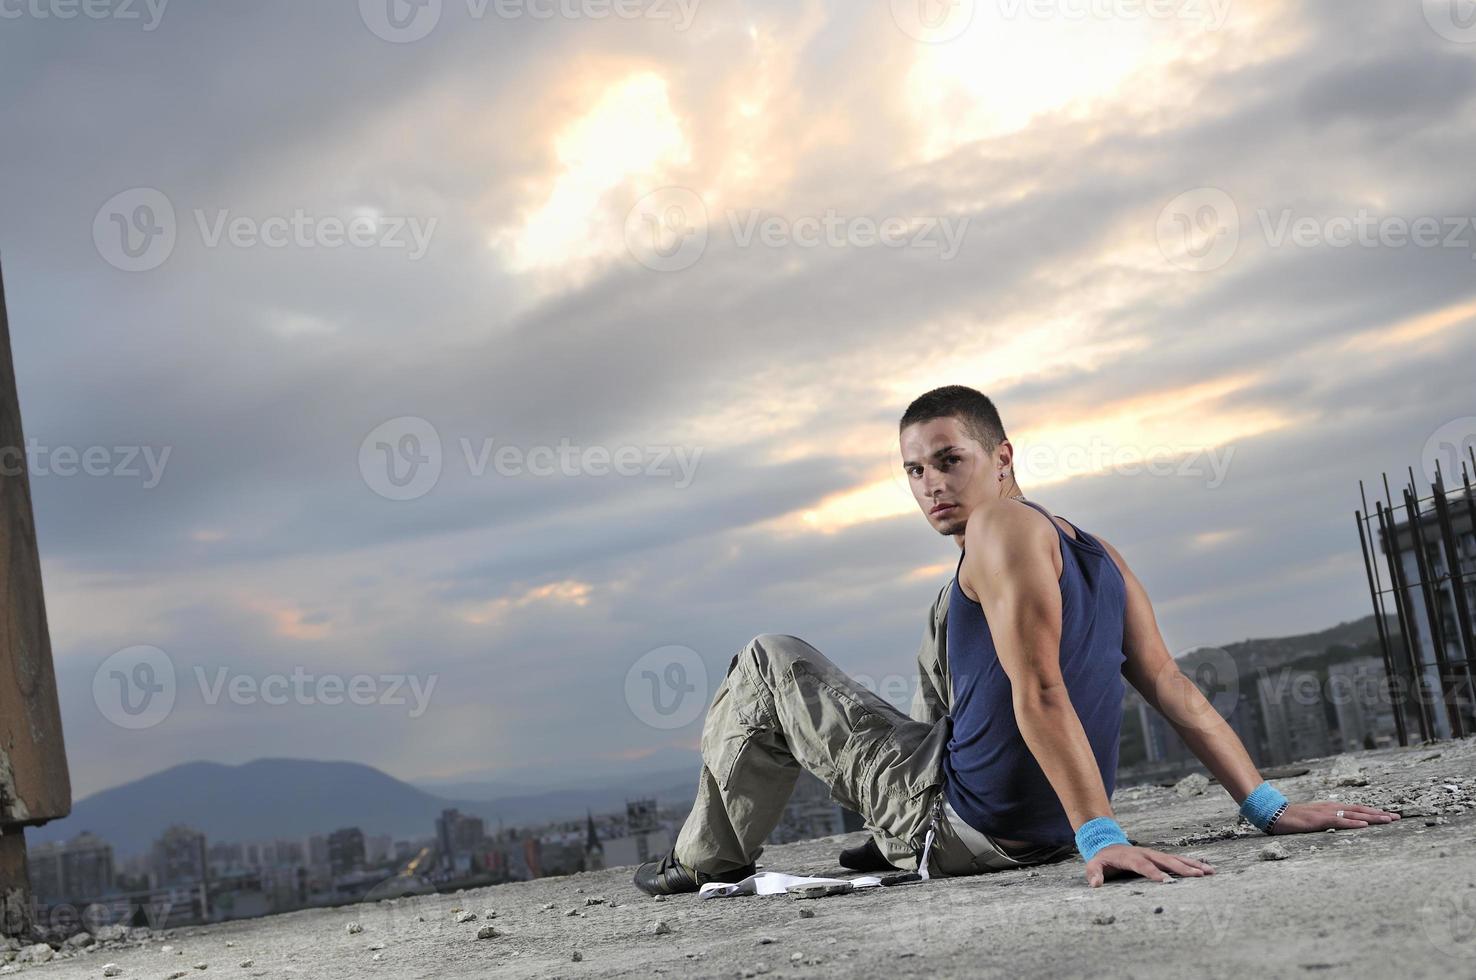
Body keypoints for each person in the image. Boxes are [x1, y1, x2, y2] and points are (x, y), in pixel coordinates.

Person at [633, 385, 1399, 896]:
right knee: (948, 612)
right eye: (912, 471)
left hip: (965, 830)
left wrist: (1100, 837)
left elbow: (1039, 688)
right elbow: (1171, 685)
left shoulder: (1000, 527)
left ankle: (703, 860)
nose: (930, 484)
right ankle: (891, 832)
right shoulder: (1097, 552)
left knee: (769, 657)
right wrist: (1267, 807)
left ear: (1003, 458)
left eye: (948, 460)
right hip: (1032, 829)